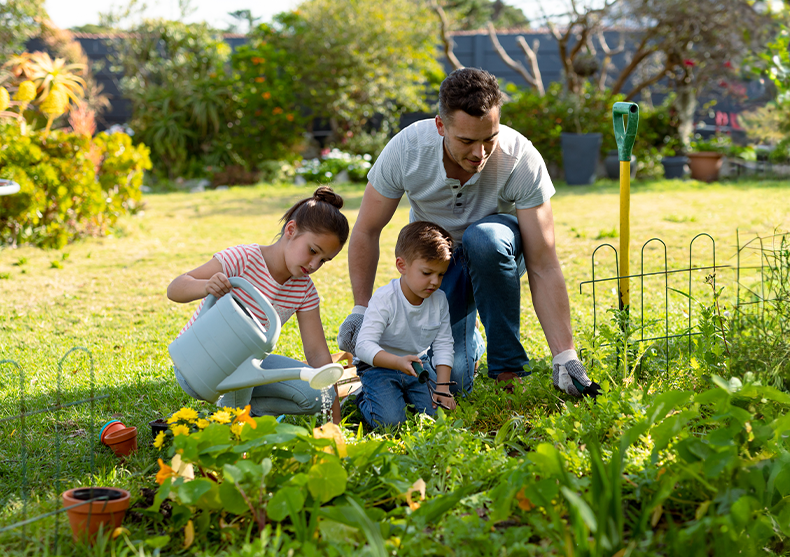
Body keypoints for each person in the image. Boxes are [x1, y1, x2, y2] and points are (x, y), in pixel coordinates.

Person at [337, 68, 599, 398]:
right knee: (453, 380)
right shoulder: (408, 150)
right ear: (440, 126)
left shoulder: (520, 158)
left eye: (489, 138)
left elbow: (543, 262)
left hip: (497, 254)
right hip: (443, 262)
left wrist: (564, 355)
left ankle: (507, 368)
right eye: (466, 141)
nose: (480, 153)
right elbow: (366, 230)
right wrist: (361, 309)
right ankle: (469, 335)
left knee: (483, 239)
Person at [166, 187, 350, 421]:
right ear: (291, 230)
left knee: (317, 394)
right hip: (195, 365)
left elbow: (317, 355)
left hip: (245, 368)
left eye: (323, 260)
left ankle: (248, 413)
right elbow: (176, 287)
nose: (314, 264)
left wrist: (335, 421)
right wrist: (206, 286)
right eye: (313, 250)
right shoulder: (243, 259)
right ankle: (236, 429)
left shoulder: (304, 289)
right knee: (243, 347)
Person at [353, 221, 457, 431]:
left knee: (437, 415)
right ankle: (362, 397)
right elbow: (363, 346)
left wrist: (443, 388)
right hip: (378, 365)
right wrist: (397, 362)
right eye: (427, 273)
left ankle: (400, 395)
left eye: (441, 274)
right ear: (402, 265)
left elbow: (445, 344)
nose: (435, 282)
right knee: (390, 423)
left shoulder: (439, 300)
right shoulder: (385, 298)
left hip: (418, 364)